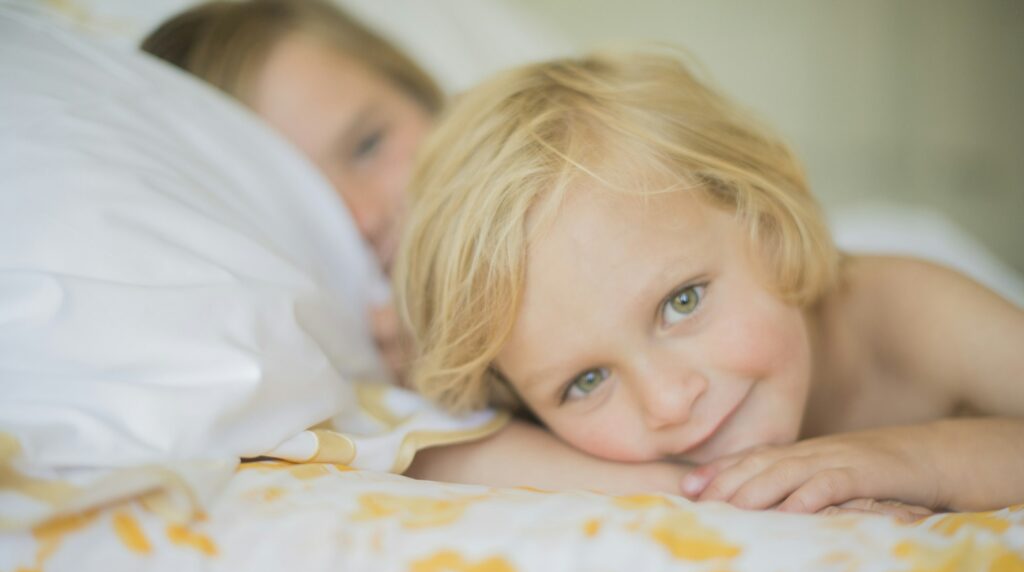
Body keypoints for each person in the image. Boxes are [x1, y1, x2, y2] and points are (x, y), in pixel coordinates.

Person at [394, 51, 1024, 514]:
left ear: (768, 225)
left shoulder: (911, 315)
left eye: (681, 302)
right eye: (586, 382)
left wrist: (919, 461)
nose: (668, 402)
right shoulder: (607, 434)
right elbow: (438, 457)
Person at [140, 0, 721, 500]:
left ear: (433, 99)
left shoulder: (600, 191)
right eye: (306, 205)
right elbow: (703, 486)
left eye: (368, 145)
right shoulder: (344, 403)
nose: (363, 217)